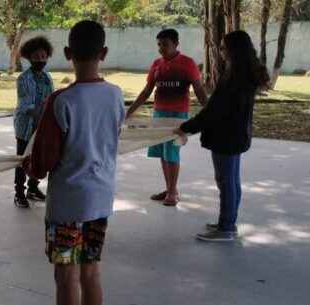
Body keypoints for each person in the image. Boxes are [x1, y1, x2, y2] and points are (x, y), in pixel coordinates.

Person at [26, 20, 125, 305]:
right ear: (103, 53)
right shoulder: (116, 95)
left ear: (68, 53)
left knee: (66, 276)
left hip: (67, 204)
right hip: (100, 199)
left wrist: (29, 166)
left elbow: (43, 160)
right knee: (91, 272)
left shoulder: (61, 100)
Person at [174, 30, 270, 242]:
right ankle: (228, 222)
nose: (221, 51)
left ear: (234, 50)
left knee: (226, 181)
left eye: (224, 48)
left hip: (227, 137)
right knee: (231, 180)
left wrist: (186, 127)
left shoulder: (234, 78)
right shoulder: (243, 73)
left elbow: (213, 111)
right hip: (236, 135)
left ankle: (226, 227)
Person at [126, 29, 208, 206]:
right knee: (163, 154)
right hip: (159, 115)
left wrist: (210, 112)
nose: (161, 48)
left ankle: (172, 192)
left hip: (178, 116)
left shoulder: (187, 64)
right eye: (159, 45)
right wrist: (129, 111)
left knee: (172, 153)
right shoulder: (156, 64)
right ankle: (170, 188)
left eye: (165, 44)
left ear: (176, 44)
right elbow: (147, 91)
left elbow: (199, 90)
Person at [13, 36, 55, 208]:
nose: (40, 60)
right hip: (26, 126)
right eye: (36, 57)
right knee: (23, 159)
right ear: (29, 57)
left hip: (42, 126)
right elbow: (26, 104)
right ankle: (19, 193)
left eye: (43, 56)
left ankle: (32, 188)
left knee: (39, 158)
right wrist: (38, 112)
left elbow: (51, 97)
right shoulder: (23, 78)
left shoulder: (47, 78)